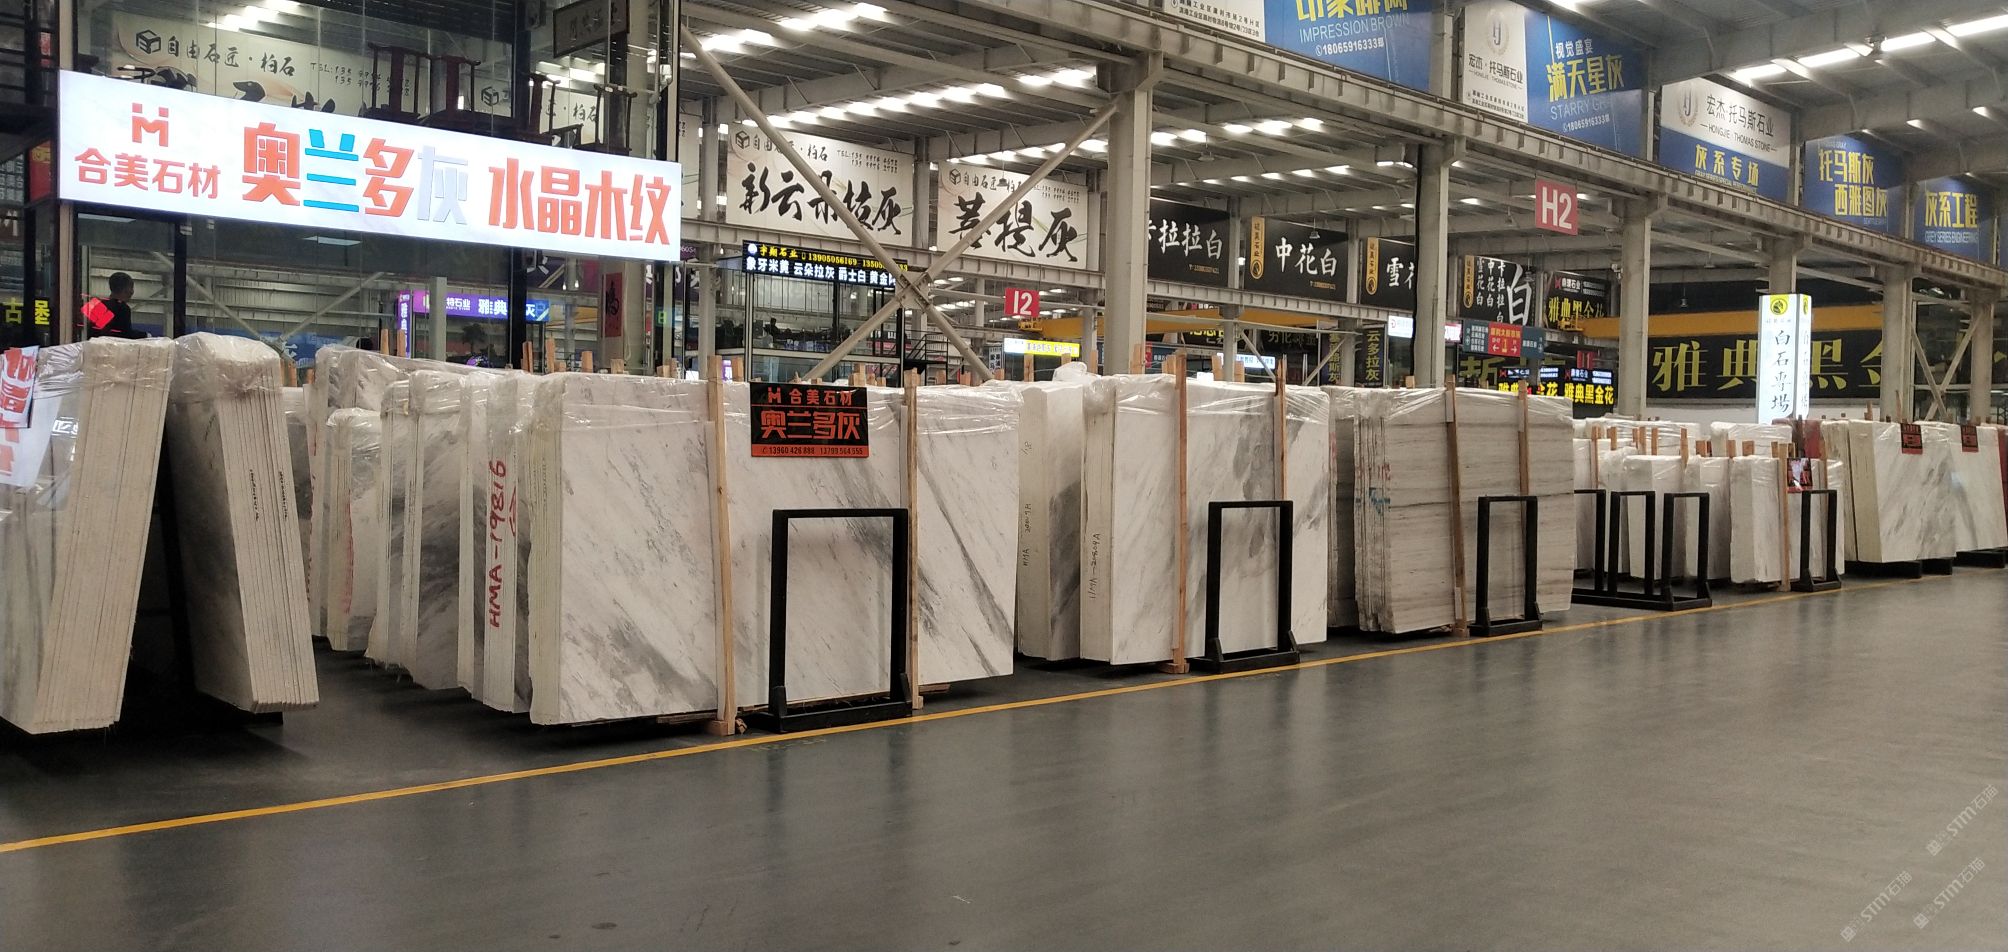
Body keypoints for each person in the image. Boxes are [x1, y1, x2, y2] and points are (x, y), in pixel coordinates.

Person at [81, 273, 143, 338]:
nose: (132, 291)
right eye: (131, 287)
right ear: (125, 290)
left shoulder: (99, 305)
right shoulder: (123, 308)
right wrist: (145, 335)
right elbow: (125, 335)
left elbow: (94, 331)